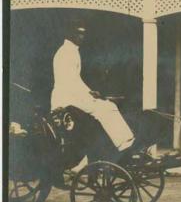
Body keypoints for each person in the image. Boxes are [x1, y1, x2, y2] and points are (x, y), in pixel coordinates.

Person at [51, 19, 134, 152]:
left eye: (83, 34)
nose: (82, 37)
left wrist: (90, 93)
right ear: (71, 34)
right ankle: (124, 143)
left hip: (72, 95)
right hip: (66, 99)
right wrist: (90, 95)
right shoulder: (66, 52)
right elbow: (71, 82)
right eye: (79, 34)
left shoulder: (71, 51)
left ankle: (125, 141)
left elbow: (75, 80)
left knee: (106, 104)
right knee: (106, 107)